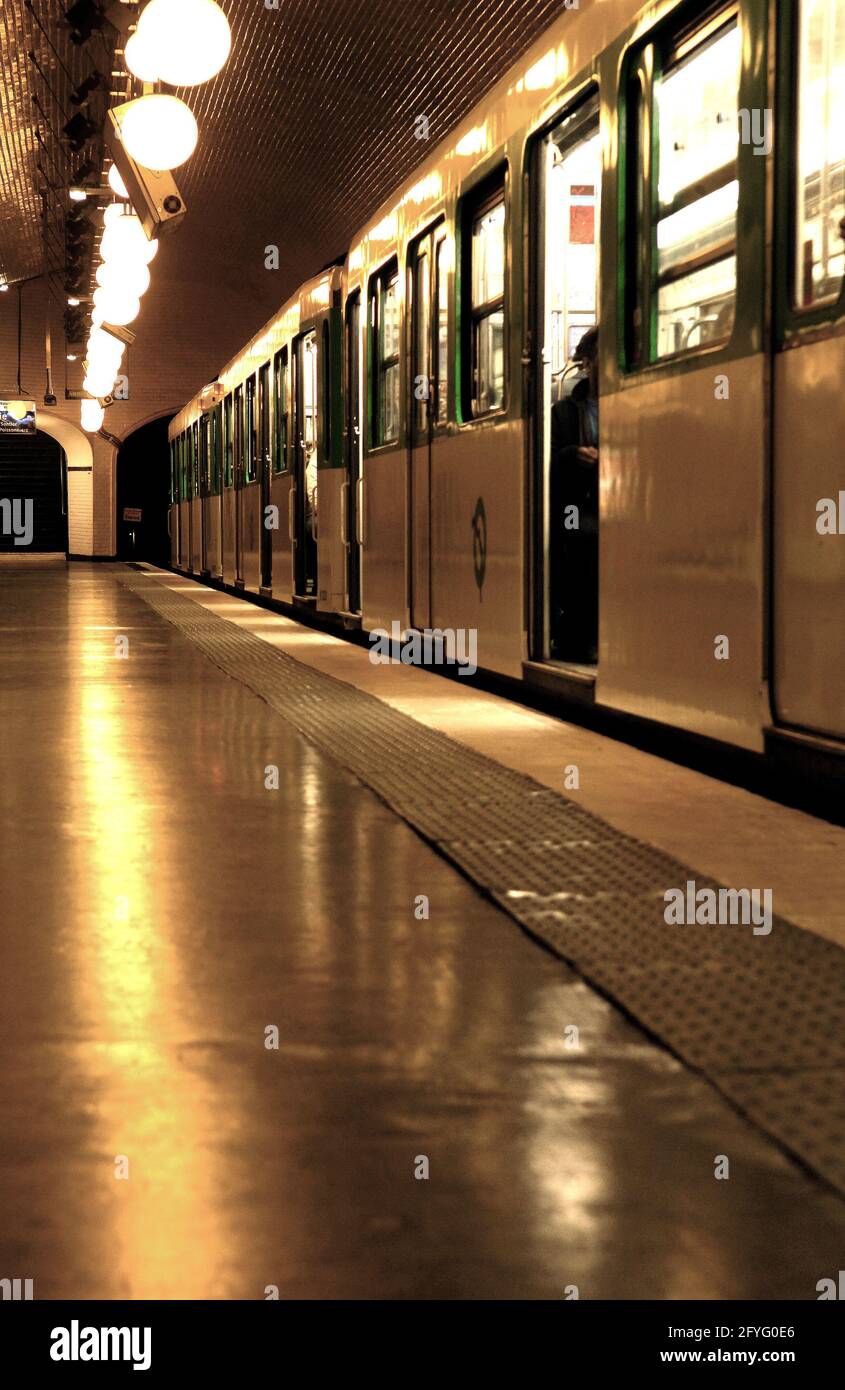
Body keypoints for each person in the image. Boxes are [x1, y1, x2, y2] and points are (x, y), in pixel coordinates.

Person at [549, 325, 599, 663]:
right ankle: (579, 635)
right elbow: (548, 460)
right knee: (579, 539)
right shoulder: (564, 411)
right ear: (588, 365)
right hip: (579, 505)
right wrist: (572, 455)